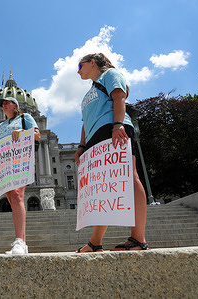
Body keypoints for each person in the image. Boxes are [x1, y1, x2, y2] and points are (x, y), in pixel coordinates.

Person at [74, 53, 149, 252]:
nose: (78, 70)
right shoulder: (90, 90)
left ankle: (138, 238)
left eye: (80, 65)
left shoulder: (111, 74)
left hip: (113, 127)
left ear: (92, 63)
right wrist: (81, 146)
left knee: (130, 176)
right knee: (102, 187)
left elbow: (119, 97)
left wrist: (117, 124)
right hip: (95, 135)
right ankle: (95, 242)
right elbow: (85, 121)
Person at [0, 97, 40, 254]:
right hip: (6, 163)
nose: (3, 105)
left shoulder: (26, 118)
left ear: (15, 106)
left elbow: (37, 135)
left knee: (17, 195)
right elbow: (2, 144)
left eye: (6, 103)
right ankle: (22, 243)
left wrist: (23, 131)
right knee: (12, 199)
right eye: (2, 104)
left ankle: (19, 240)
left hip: (21, 159)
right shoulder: (1, 125)